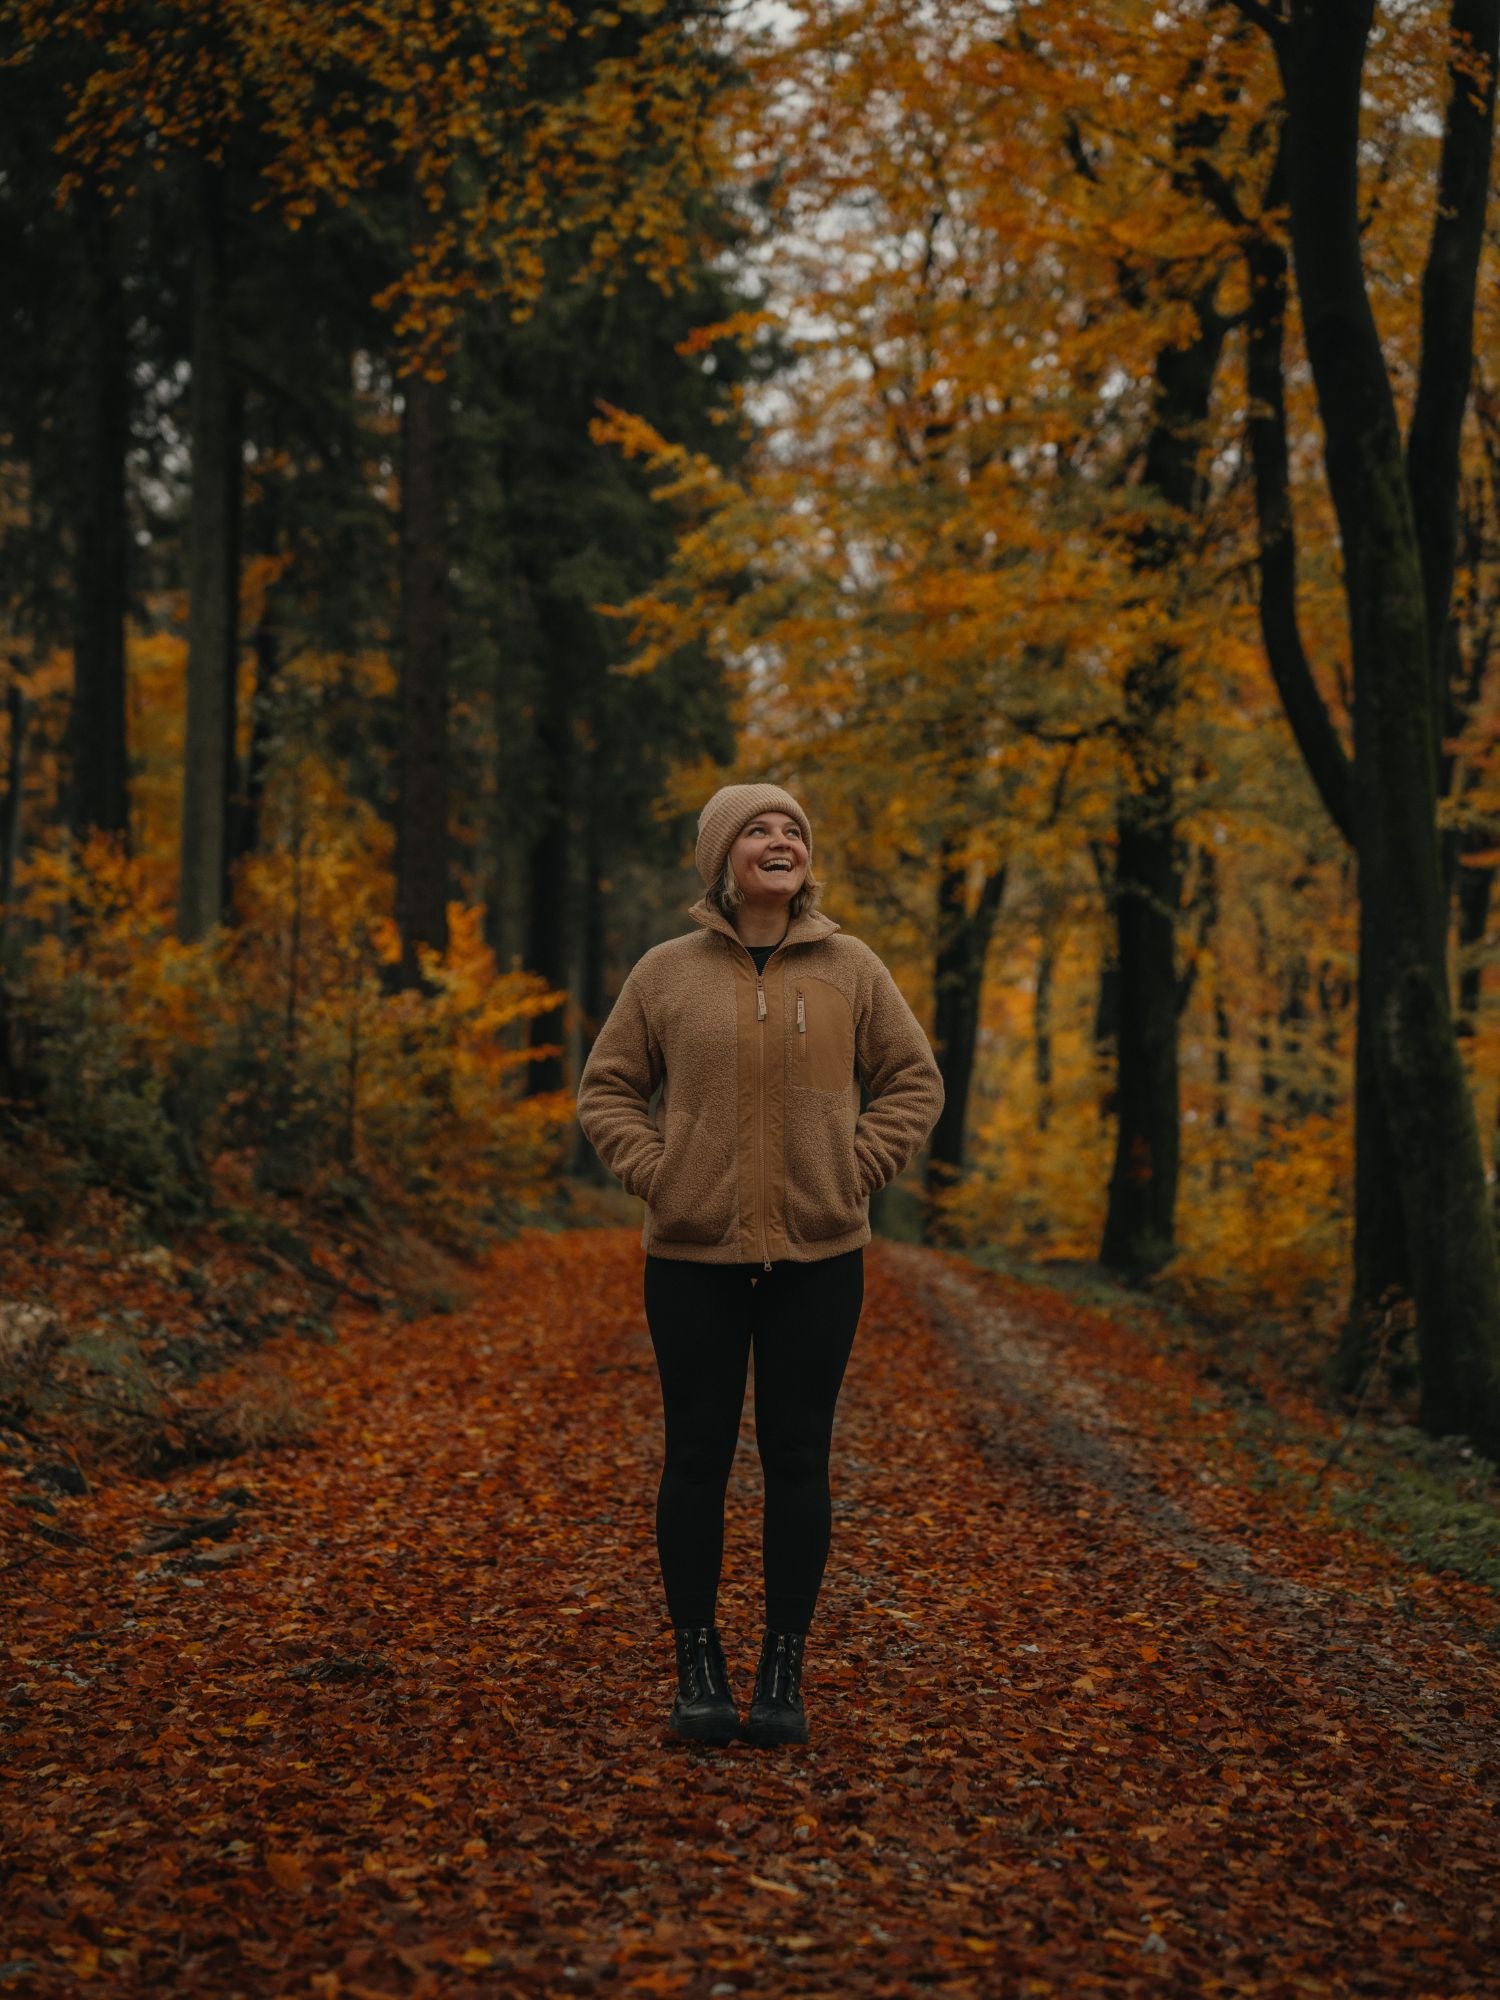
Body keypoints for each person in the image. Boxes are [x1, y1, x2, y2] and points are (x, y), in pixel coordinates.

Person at [575, 783, 945, 1747]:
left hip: (820, 1258)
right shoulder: (666, 974)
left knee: (798, 1459)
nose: (780, 841)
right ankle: (699, 1666)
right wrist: (661, 1176)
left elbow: (913, 1082)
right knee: (695, 1457)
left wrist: (854, 1170)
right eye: (757, 831)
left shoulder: (853, 969)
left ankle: (782, 1668)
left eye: (792, 831)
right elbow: (607, 1089)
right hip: (692, 1257)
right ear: (721, 860)